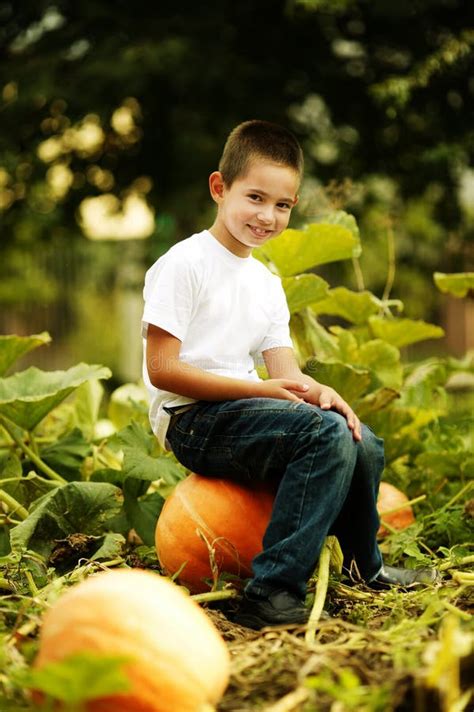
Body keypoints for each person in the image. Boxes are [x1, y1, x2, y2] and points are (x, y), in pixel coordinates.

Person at [142, 120, 437, 629]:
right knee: (323, 440)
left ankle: (367, 569)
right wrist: (259, 389)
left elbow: (286, 373)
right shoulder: (184, 264)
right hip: (190, 418)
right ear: (220, 187)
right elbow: (163, 368)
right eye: (255, 197)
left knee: (359, 439)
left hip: (242, 409)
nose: (267, 215)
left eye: (282, 205)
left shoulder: (265, 282)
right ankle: (271, 592)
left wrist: (323, 393)